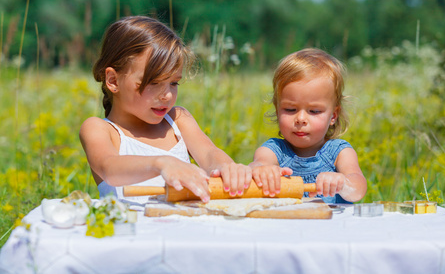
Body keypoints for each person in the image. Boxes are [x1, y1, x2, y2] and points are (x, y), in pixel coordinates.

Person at [79, 16, 252, 206]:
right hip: (132, 233)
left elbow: (210, 154)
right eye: (153, 83)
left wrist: (228, 169)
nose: (167, 95)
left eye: (174, 83)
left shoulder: (178, 120)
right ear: (113, 81)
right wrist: (161, 164)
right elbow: (109, 169)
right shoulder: (99, 129)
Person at [250, 48, 367, 203]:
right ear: (277, 110)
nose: (301, 119)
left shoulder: (339, 152)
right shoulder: (274, 150)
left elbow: (358, 189)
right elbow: (258, 164)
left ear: (333, 115)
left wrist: (342, 182)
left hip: (332, 225)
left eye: (314, 111)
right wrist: (262, 171)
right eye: (290, 109)